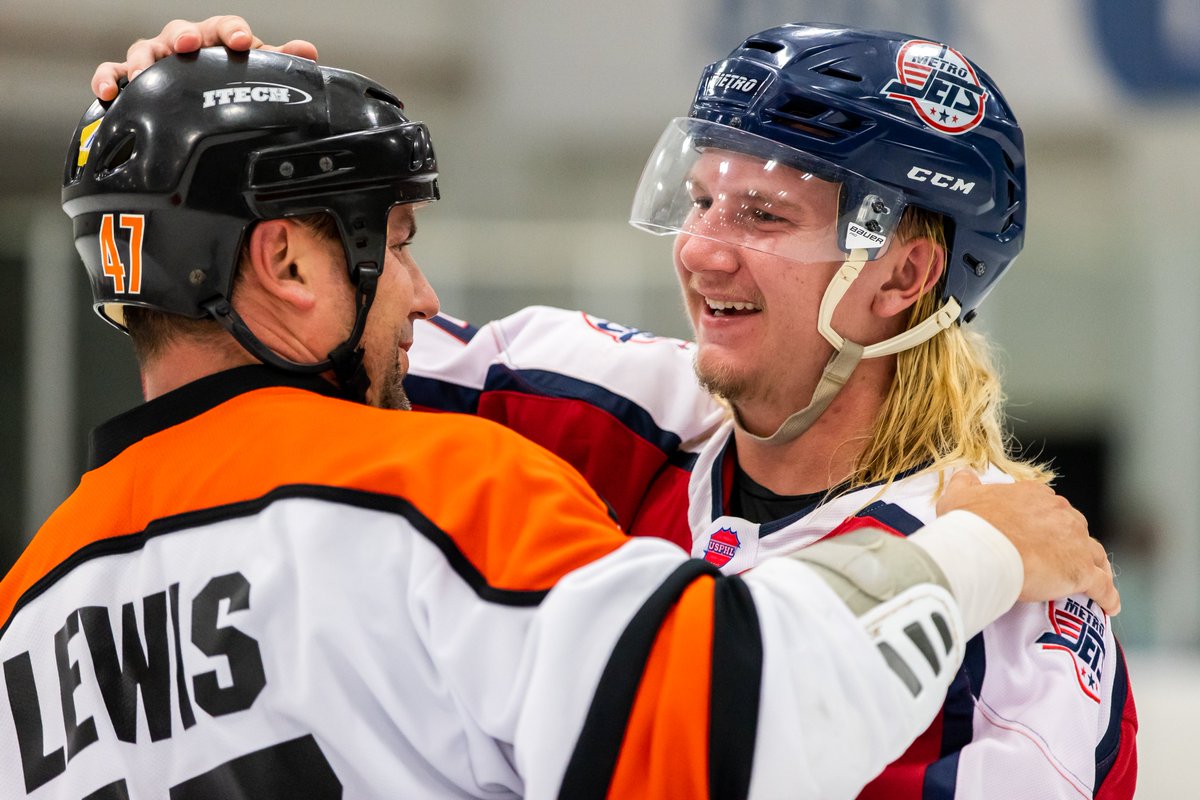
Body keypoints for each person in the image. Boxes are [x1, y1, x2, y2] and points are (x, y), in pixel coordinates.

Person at [0, 46, 1118, 800]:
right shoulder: (560, 416)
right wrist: (210, 113)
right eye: (701, 200)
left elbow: (273, 325)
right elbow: (306, 338)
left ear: (906, 272)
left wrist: (169, 172)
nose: (701, 247)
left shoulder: (1029, 630)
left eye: (763, 213)